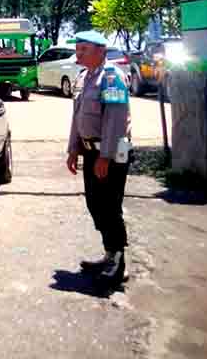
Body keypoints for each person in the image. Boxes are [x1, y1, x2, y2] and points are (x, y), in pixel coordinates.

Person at [65, 30, 132, 290]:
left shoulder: (112, 77)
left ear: (100, 51)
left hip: (111, 153)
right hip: (91, 151)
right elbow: (77, 118)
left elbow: (115, 120)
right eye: (78, 48)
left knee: (109, 206)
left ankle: (117, 262)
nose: (78, 53)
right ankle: (109, 253)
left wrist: (105, 156)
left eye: (84, 49)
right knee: (95, 203)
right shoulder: (84, 77)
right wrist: (73, 150)